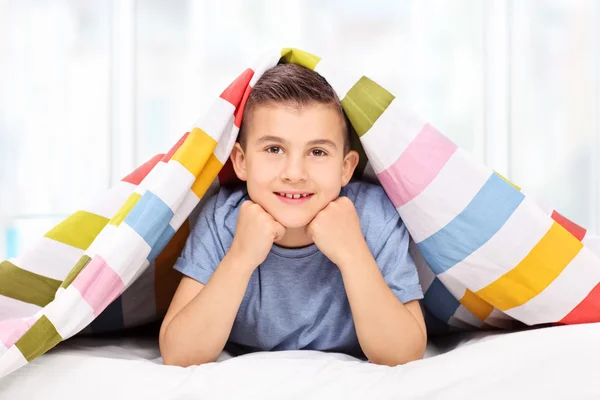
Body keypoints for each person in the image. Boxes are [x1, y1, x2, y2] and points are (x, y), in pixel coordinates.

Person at [159, 63, 426, 367]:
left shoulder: (375, 216)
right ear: (241, 162)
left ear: (346, 168)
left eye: (317, 152)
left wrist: (353, 254)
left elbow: (404, 354)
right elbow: (179, 354)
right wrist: (241, 257)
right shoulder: (223, 218)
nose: (295, 174)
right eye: (274, 149)